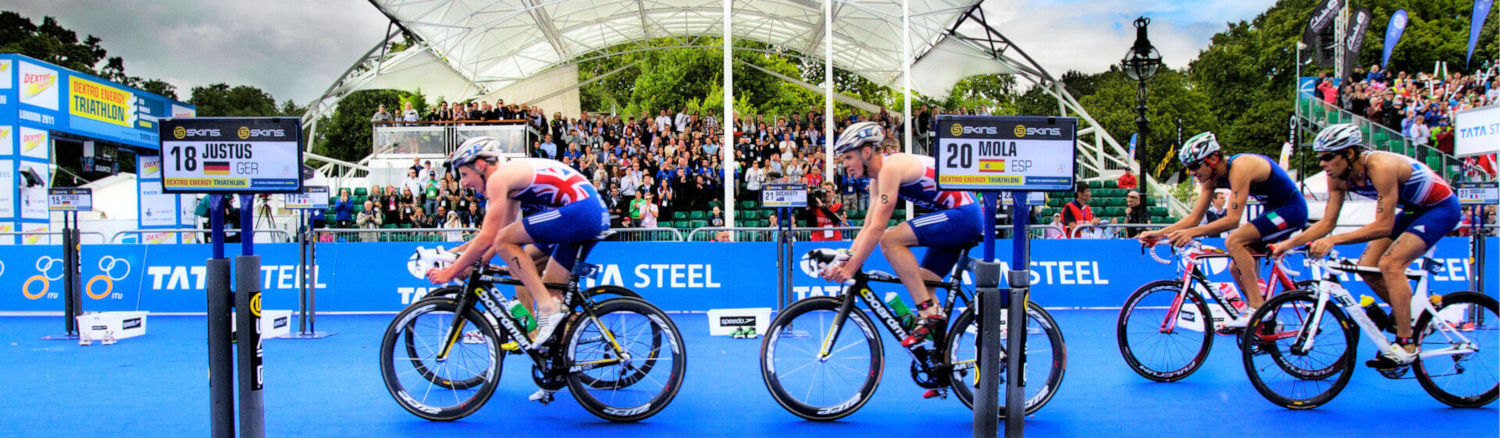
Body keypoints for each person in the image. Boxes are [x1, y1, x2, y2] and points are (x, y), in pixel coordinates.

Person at [425, 137, 610, 403]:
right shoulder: (510, 184)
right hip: (584, 211)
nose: (463, 182)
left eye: (464, 174)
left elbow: (493, 238)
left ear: (480, 165)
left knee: (508, 246)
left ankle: (545, 308)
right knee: (534, 274)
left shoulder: (499, 179)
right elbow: (497, 235)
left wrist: (452, 269)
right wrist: (469, 259)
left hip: (580, 210)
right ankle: (554, 372)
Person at [1272, 123, 1461, 370]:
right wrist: (1286, 244)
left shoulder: (1380, 167)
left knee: (1390, 264)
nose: (1322, 164)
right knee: (1366, 267)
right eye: (1320, 158)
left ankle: (1406, 343)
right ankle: (1412, 317)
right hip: (1413, 210)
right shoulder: (1337, 177)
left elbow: (1383, 226)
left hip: (1441, 208)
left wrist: (1334, 240)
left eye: (1328, 157)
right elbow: (1327, 223)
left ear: (1349, 154)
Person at [819, 122, 981, 399]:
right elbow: (868, 224)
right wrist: (846, 257)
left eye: (848, 156)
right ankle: (942, 372)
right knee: (924, 284)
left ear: (867, 151)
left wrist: (851, 268)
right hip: (954, 217)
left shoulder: (890, 169)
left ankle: (927, 312)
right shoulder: (875, 180)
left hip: (964, 214)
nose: (844, 164)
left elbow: (880, 229)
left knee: (891, 240)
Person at [1138, 132, 1308, 329]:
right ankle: (1265, 317)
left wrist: (1192, 233)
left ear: (1212, 159)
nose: (1191, 172)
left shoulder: (1240, 167)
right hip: (1273, 211)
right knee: (1235, 268)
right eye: (1188, 168)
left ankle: (1257, 308)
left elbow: (1232, 220)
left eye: (1194, 166)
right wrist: (1160, 234)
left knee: (1234, 241)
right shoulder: (1211, 179)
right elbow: (1194, 218)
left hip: (1291, 210)